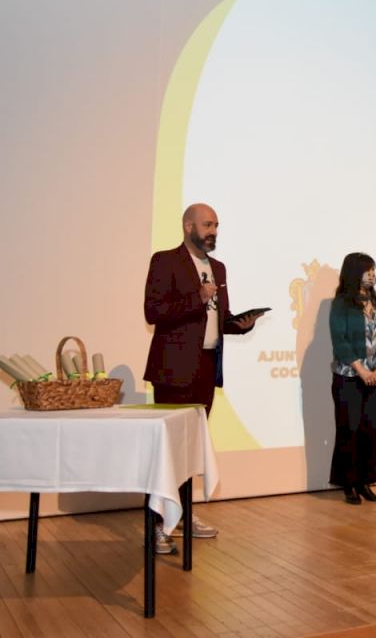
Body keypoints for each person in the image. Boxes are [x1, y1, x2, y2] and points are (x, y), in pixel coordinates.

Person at [143, 203, 264, 547]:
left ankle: (181, 515)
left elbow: (216, 320)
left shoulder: (218, 267)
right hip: (173, 369)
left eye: (216, 225)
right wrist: (196, 297)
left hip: (206, 367)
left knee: (190, 450)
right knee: (167, 451)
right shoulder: (165, 261)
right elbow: (153, 312)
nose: (213, 231)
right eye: (207, 225)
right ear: (188, 226)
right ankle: (157, 525)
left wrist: (240, 325)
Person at [328, 253, 376, 505]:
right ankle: (349, 484)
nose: (372, 275)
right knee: (350, 429)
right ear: (354, 273)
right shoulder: (341, 304)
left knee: (370, 430)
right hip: (349, 377)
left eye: (374, 270)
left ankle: (366, 481)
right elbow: (340, 340)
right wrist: (361, 370)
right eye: (368, 270)